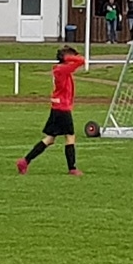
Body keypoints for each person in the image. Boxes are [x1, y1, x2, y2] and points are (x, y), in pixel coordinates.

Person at [16, 46, 85, 176]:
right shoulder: (62, 69)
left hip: (57, 107)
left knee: (50, 139)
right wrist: (69, 57)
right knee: (70, 137)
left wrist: (68, 57)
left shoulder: (60, 69)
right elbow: (81, 60)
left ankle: (25, 161)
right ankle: (72, 168)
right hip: (62, 108)